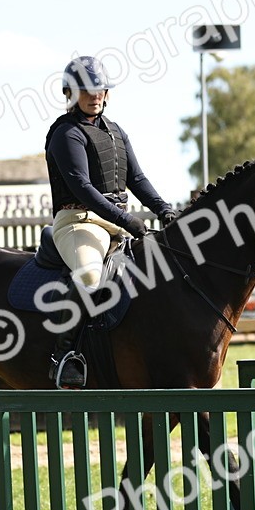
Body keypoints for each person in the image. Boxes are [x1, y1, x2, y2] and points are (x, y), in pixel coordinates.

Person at [43, 55, 178, 388]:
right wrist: (128, 220)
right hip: (79, 221)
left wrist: (164, 209)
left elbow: (138, 178)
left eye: (100, 89)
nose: (95, 95)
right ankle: (62, 358)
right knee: (90, 275)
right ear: (70, 93)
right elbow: (83, 188)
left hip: (115, 223)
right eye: (87, 90)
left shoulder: (117, 132)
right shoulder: (66, 133)